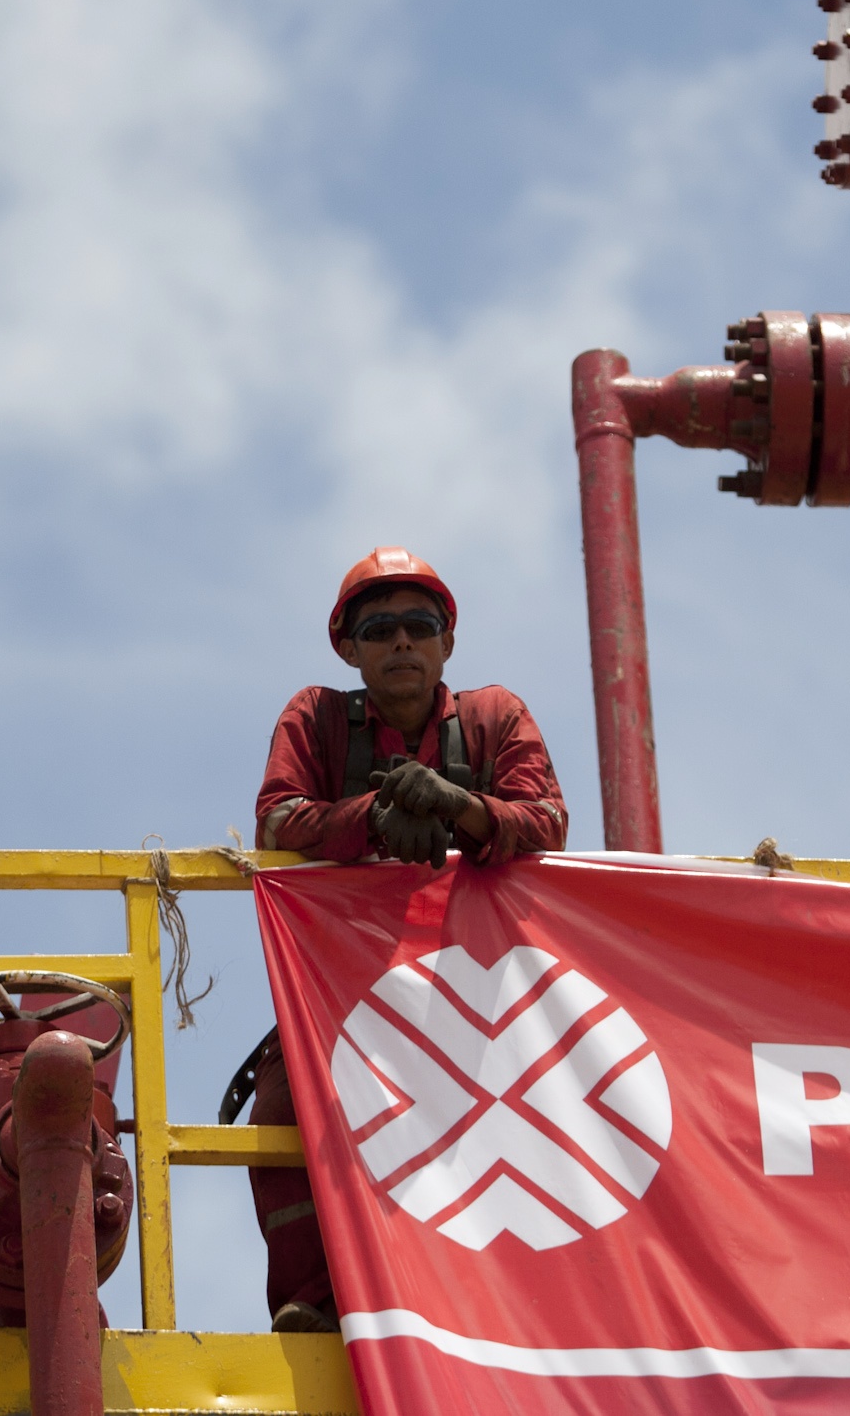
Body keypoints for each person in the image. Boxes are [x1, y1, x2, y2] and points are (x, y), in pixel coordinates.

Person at [240, 546, 568, 1332]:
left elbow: (547, 819)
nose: (400, 645)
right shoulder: (318, 719)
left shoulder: (494, 718)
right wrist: (373, 819)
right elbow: (277, 818)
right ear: (348, 648)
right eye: (378, 629)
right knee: (285, 1110)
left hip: (480, 987)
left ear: (446, 643)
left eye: (418, 627)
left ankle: (518, 1303)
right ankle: (314, 1304)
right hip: (348, 989)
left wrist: (459, 806)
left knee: (527, 1120)